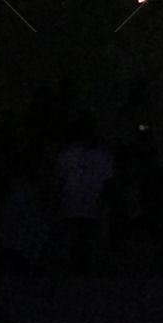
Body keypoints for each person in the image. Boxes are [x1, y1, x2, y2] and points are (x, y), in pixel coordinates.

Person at [49, 112, 113, 273]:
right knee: (84, 254)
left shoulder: (66, 154)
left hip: (72, 209)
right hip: (89, 209)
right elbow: (108, 183)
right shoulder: (101, 155)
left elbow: (58, 181)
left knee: (76, 254)